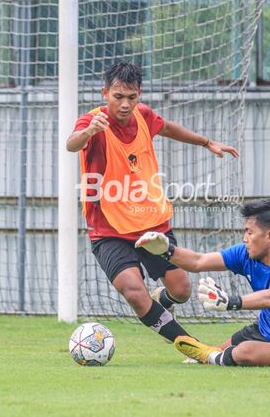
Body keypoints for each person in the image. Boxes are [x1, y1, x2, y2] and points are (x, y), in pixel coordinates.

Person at [66, 61, 238, 344]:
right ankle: (194, 347)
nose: (124, 104)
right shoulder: (92, 122)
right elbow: (71, 144)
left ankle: (162, 299)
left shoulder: (143, 116)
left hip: (151, 223)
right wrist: (87, 133)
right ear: (104, 93)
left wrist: (207, 143)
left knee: (181, 290)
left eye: (131, 97)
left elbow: (168, 128)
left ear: (140, 94)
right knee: (135, 293)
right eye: (117, 97)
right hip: (109, 230)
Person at [135, 199, 270, 367]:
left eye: (249, 232)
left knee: (243, 353)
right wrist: (166, 250)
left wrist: (230, 301)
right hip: (268, 329)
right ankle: (213, 356)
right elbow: (198, 261)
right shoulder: (245, 254)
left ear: (269, 235)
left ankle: (212, 357)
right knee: (220, 352)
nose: (244, 238)